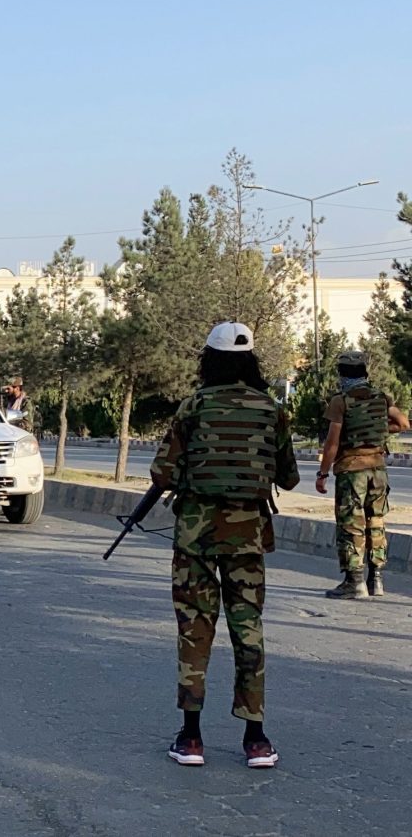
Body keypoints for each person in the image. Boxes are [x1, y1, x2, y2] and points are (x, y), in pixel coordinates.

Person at [149, 321, 299, 769]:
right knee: (248, 631)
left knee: (195, 630)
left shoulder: (193, 406)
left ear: (209, 360)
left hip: (195, 537)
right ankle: (256, 738)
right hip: (248, 538)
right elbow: (289, 477)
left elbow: (163, 473)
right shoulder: (271, 409)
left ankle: (191, 737)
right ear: (251, 360)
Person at [315, 349, 409, 598]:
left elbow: (332, 443)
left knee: (351, 524)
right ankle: (376, 579)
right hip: (378, 470)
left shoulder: (341, 401)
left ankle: (354, 582)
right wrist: (378, 428)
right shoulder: (381, 397)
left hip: (352, 471)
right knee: (376, 521)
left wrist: (322, 474)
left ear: (342, 373)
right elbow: (403, 423)